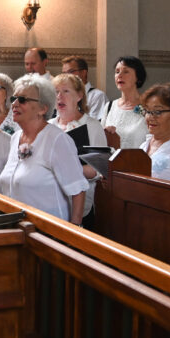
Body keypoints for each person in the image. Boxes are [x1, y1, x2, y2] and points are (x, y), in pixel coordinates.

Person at [0, 74, 88, 225]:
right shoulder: (15, 137)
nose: (14, 104)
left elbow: (78, 189)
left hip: (50, 229)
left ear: (43, 108)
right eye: (14, 99)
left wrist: (74, 231)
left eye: (23, 100)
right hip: (18, 227)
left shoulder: (57, 140)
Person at [49, 74, 107, 229]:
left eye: (66, 91)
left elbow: (99, 171)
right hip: (48, 204)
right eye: (56, 92)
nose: (59, 96)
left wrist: (66, 170)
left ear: (79, 96)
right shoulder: (47, 126)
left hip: (80, 208)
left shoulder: (92, 126)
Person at [101, 56, 148, 148]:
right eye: (117, 72)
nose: (119, 75)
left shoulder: (148, 107)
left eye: (126, 71)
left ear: (138, 77)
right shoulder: (109, 106)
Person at [60, 55, 108, 121]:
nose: (66, 77)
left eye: (70, 72)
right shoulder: (61, 96)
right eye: (64, 73)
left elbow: (94, 124)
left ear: (83, 73)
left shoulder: (97, 96)